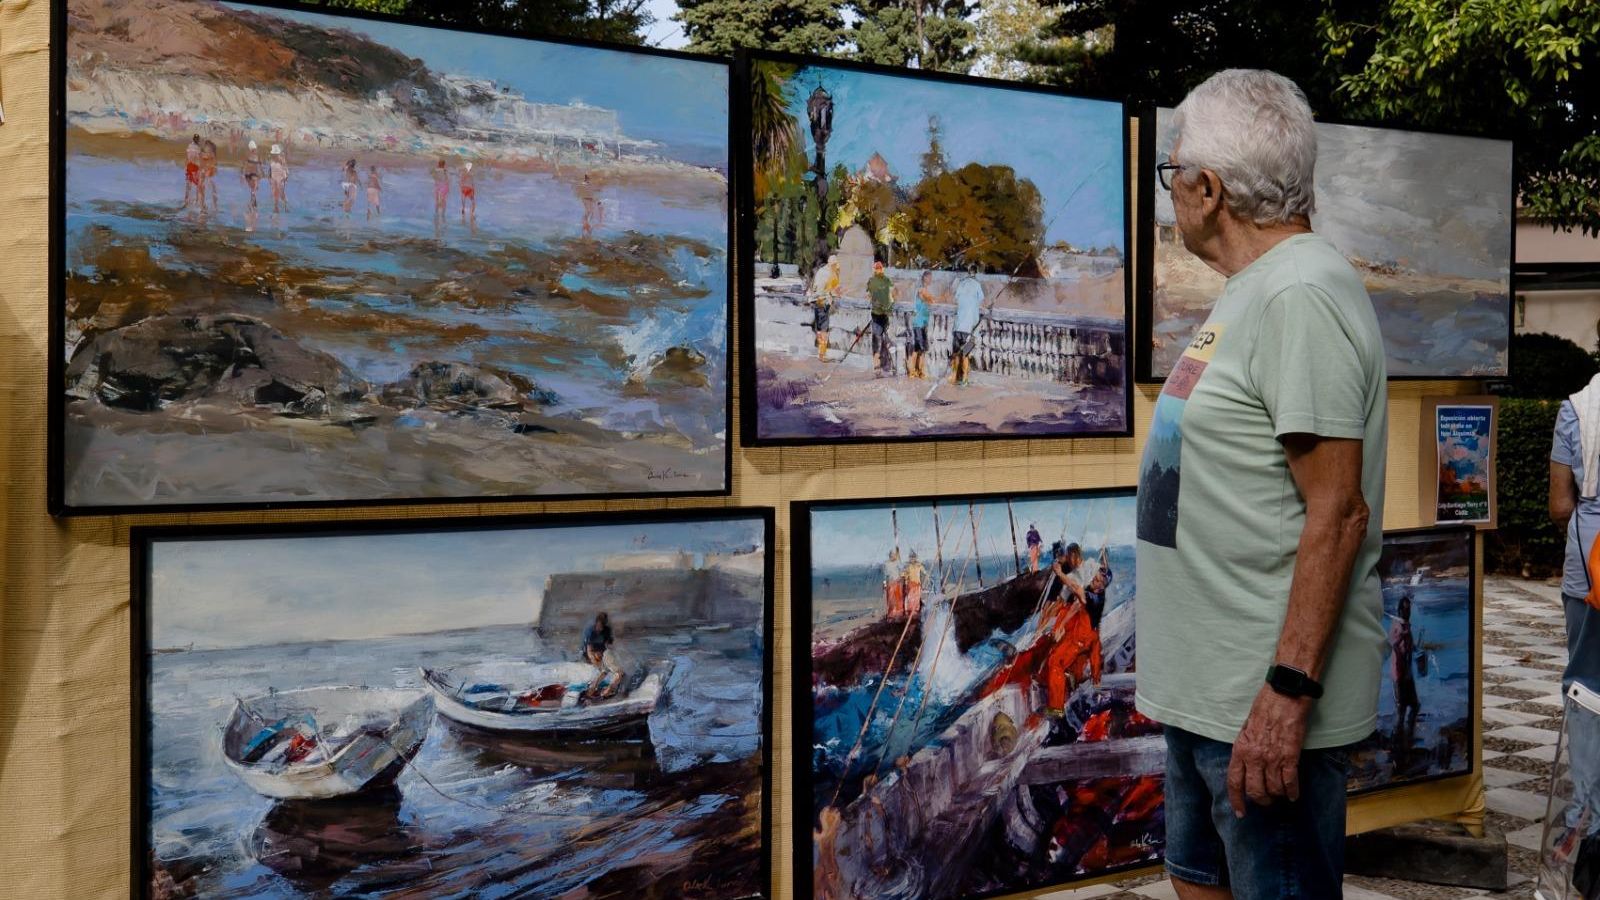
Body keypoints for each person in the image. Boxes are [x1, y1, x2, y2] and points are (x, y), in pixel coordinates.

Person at [1134, 70, 1388, 899]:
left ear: (1209, 189)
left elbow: (1338, 511)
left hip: (1261, 713)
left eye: (1173, 174)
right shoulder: (1257, 292)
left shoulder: (1300, 294)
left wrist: (1286, 694)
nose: (1170, 191)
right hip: (1211, 704)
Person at [1547, 372, 1600, 861]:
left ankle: (1584, 822)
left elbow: (1560, 503)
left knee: (1586, 689)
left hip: (1590, 573)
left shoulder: (1576, 409)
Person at [1389, 591, 1421, 739]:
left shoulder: (1407, 624)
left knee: (1415, 705)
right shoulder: (1396, 625)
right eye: (1405, 609)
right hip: (1398, 672)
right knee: (1401, 707)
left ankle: (1409, 731)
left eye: (1409, 609)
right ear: (1400, 610)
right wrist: (1402, 634)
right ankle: (1398, 736)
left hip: (1408, 673)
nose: (1407, 612)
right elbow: (1392, 644)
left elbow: (1411, 645)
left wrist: (1418, 649)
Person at [951, 266, 984, 386]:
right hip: (970, 328)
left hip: (958, 326)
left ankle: (954, 377)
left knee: (956, 354)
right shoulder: (977, 285)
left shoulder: (961, 283)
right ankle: (964, 378)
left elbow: (956, 299)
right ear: (976, 273)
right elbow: (981, 300)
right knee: (966, 354)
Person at [579, 612, 625, 699]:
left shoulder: (606, 630)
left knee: (604, 672)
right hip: (594, 655)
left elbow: (608, 644)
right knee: (619, 673)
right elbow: (589, 651)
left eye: (601, 626)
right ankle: (606, 691)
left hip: (604, 654)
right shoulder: (590, 632)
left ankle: (591, 691)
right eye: (598, 626)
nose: (599, 628)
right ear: (596, 623)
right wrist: (594, 659)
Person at [866, 260, 896, 377]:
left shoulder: (872, 281)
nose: (878, 270)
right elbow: (893, 294)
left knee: (878, 341)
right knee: (881, 340)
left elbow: (869, 296)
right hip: (882, 314)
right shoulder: (886, 280)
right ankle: (880, 367)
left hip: (879, 314)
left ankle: (879, 367)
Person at [813, 258, 840, 361]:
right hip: (824, 302)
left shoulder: (821, 271)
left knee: (819, 329)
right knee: (824, 329)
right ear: (833, 265)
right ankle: (822, 353)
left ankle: (820, 352)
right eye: (836, 266)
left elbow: (815, 287)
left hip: (817, 302)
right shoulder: (831, 274)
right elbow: (835, 290)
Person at [909, 271, 935, 379]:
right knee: (918, 348)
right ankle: (914, 371)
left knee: (921, 348)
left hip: (923, 322)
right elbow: (930, 300)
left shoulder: (923, 290)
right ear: (925, 278)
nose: (931, 280)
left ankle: (919, 371)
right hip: (918, 323)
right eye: (930, 278)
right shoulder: (921, 290)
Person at [882, 547, 904, 619]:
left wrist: (901, 577)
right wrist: (884, 584)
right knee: (891, 599)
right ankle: (891, 614)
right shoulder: (886, 563)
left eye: (894, 555)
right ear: (889, 555)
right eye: (891, 555)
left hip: (897, 582)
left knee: (898, 598)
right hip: (890, 582)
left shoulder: (897, 562)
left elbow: (902, 570)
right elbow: (884, 575)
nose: (892, 556)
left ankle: (899, 613)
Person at [903, 550, 926, 619]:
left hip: (917, 584)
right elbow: (905, 575)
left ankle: (915, 611)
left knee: (916, 598)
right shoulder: (908, 566)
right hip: (910, 585)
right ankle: (910, 612)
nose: (912, 559)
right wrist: (906, 582)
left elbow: (924, 572)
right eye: (911, 557)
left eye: (914, 557)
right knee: (910, 598)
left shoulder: (919, 565)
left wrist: (926, 575)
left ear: (916, 558)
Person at [183, 135, 203, 209]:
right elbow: (200, 159)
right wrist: (201, 169)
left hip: (189, 166)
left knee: (188, 185)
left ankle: (186, 201)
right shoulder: (198, 148)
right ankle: (197, 201)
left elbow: (187, 157)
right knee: (198, 185)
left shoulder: (189, 146)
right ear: (197, 140)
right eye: (197, 139)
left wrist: (185, 167)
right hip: (194, 167)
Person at [268, 144, 289, 214]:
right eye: (274, 154)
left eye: (275, 153)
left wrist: (285, 178)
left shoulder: (282, 160)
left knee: (282, 194)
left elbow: (286, 170)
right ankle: (276, 208)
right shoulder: (271, 160)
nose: (274, 155)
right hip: (273, 178)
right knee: (275, 194)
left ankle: (286, 206)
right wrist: (269, 178)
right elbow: (270, 169)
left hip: (280, 179)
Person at [201, 139, 220, 212]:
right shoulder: (203, 158)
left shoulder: (213, 159)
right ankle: (203, 207)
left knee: (212, 190)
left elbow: (215, 168)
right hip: (205, 176)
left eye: (209, 151)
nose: (207, 153)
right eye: (205, 151)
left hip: (209, 176)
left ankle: (214, 208)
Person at [432, 159, 450, 229]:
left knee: (437, 200)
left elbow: (434, 177)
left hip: (437, 186)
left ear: (439, 164)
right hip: (444, 186)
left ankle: (436, 213)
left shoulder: (436, 170)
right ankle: (443, 214)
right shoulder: (445, 171)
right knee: (443, 200)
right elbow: (448, 179)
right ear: (444, 164)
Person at [460, 160, 476, 226]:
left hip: (464, 188)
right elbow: (472, 183)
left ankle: (463, 209)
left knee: (464, 201)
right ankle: (471, 214)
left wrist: (461, 187)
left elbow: (461, 181)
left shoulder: (463, 173)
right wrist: (474, 190)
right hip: (469, 188)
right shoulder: (471, 174)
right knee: (473, 202)